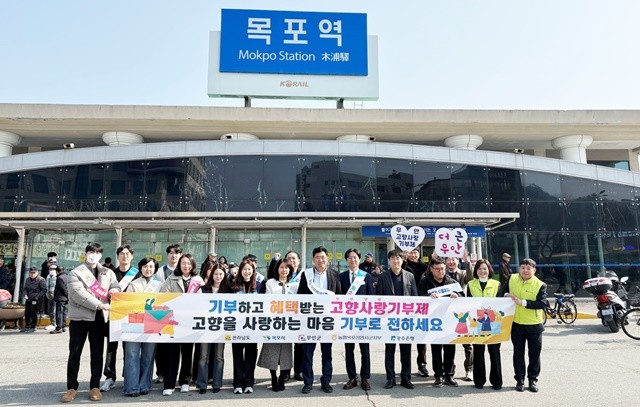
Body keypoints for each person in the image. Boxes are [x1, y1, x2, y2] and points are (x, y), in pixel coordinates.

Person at [61, 243, 119, 403]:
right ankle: (71, 388)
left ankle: (94, 386)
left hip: (99, 319)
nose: (94, 254)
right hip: (79, 319)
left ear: (101, 255)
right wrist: (99, 304)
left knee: (97, 354)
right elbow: (77, 294)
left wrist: (114, 291)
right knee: (75, 354)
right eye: (91, 251)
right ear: (86, 253)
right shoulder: (76, 272)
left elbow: (115, 285)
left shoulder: (107, 272)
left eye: (97, 252)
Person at [298, 246, 342, 394]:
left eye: (322, 257)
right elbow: (300, 296)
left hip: (327, 321)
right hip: (310, 321)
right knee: (307, 353)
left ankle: (326, 382)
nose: (320, 260)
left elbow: (339, 296)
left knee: (327, 353)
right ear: (313, 259)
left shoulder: (335, 275)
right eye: (317, 257)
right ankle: (308, 382)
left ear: (327, 259)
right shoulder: (306, 275)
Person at [501, 258, 547, 393]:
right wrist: (506, 294)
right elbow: (502, 291)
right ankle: (519, 379)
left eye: (528, 268)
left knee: (534, 354)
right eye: (523, 267)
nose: (525, 270)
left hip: (534, 325)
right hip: (516, 324)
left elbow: (542, 303)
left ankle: (533, 379)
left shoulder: (540, 285)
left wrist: (523, 303)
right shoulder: (512, 278)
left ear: (534, 270)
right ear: (519, 268)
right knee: (518, 354)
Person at [419, 258, 464, 388]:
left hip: (449, 321)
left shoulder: (452, 282)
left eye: (443, 269)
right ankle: (438, 375)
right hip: (433, 321)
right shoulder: (425, 282)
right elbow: (418, 297)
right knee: (436, 349)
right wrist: (428, 298)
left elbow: (463, 298)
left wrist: (457, 295)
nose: (440, 272)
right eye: (437, 269)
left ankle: (449, 375)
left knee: (450, 349)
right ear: (431, 269)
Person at [377, 249, 417, 389]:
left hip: (406, 320)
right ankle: (390, 378)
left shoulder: (410, 276)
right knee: (390, 350)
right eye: (393, 258)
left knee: (406, 350)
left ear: (402, 260)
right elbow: (378, 298)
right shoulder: (383, 277)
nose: (395, 261)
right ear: (389, 261)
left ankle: (406, 378)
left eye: (398, 258)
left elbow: (415, 297)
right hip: (389, 321)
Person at [122, 257, 161, 397]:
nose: (148, 269)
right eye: (145, 266)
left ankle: (144, 385)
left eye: (151, 266)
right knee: (132, 354)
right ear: (140, 268)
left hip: (152, 323)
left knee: (148, 355)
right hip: (134, 323)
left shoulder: (160, 285)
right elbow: (126, 304)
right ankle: (132, 387)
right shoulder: (133, 284)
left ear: (155, 269)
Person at [159, 253, 198, 396]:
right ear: (179, 265)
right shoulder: (171, 279)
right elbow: (163, 296)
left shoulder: (197, 280)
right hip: (173, 323)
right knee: (171, 354)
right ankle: (169, 383)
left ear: (193, 265)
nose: (186, 266)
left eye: (189, 263)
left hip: (189, 323)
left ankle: (185, 381)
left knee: (187, 353)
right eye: (183, 263)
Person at [101, 244, 136, 393]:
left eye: (127, 253)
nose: (124, 256)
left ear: (132, 256)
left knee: (130, 348)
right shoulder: (110, 274)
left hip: (131, 317)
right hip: (113, 316)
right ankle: (109, 376)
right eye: (122, 253)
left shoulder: (136, 274)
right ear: (117, 256)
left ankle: (128, 375)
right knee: (111, 348)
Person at [340, 248, 375, 391]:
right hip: (347, 320)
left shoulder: (366, 276)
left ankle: (365, 378)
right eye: (350, 257)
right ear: (346, 260)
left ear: (359, 259)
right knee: (349, 350)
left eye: (355, 257)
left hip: (362, 320)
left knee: (364, 350)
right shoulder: (341, 276)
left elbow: (371, 297)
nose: (352, 260)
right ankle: (352, 378)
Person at [257, 259, 294, 392]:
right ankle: (273, 376)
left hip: (288, 323)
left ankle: (282, 377)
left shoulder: (294, 284)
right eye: (281, 267)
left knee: (286, 351)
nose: (284, 270)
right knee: (271, 350)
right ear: (277, 269)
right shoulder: (270, 283)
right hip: (273, 321)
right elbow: (268, 301)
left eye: (287, 268)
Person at [466, 259, 503, 390]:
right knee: (478, 352)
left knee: (494, 352)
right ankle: (479, 380)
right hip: (477, 323)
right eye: (479, 269)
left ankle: (496, 381)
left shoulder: (497, 284)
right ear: (476, 271)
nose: (482, 271)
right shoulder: (470, 284)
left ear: (489, 270)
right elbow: (468, 303)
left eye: (485, 268)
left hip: (493, 322)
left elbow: (501, 303)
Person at [196, 263, 232, 394]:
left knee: (218, 356)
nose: (218, 276)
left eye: (221, 274)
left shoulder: (229, 290)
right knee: (203, 356)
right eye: (216, 274)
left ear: (224, 275)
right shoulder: (203, 289)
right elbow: (196, 307)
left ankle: (217, 383)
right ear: (212, 275)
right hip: (205, 328)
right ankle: (202, 384)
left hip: (221, 328)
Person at [153, 244, 183, 384]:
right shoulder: (161, 271)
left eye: (176, 253)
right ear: (167, 255)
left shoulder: (184, 270)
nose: (173, 255)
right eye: (171, 252)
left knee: (179, 347)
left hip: (181, 314)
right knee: (161, 346)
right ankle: (161, 373)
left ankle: (179, 375)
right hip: (163, 313)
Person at [231, 260, 262, 394]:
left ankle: (249, 382)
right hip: (237, 327)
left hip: (252, 328)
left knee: (250, 356)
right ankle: (237, 383)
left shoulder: (259, 286)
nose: (247, 272)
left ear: (253, 271)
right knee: (237, 357)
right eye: (244, 269)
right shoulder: (233, 286)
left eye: (249, 269)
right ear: (240, 271)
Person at [444, 255, 473, 381]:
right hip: (447, 313)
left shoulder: (463, 273)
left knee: (468, 343)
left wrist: (468, 262)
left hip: (462, 312)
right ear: (445, 261)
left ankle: (469, 369)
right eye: (448, 259)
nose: (451, 261)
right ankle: (449, 371)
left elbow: (470, 278)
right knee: (449, 344)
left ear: (458, 260)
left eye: (454, 259)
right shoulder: (442, 273)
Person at [403, 249, 430, 377]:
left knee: (421, 337)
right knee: (405, 338)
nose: (413, 255)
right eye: (411, 252)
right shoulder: (403, 265)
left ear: (419, 254)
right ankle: (405, 369)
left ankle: (422, 365)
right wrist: (403, 261)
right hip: (406, 306)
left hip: (422, 305)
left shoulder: (425, 267)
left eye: (415, 252)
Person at [284, 250, 304, 381]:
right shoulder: (282, 273)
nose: (291, 261)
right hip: (284, 312)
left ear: (299, 261)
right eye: (289, 258)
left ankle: (299, 371)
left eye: (294, 258)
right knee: (286, 344)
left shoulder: (305, 275)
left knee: (300, 343)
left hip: (300, 313)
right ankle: (285, 372)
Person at [22, 266, 46, 333]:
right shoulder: (28, 279)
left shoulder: (41, 280)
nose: (32, 274)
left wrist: (37, 297)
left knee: (33, 313)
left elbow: (44, 290)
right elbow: (25, 288)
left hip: (36, 299)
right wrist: (25, 294)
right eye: (31, 273)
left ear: (37, 272)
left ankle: (33, 326)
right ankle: (27, 326)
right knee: (27, 312)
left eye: (34, 273)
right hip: (28, 298)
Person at [51, 265, 68, 334]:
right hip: (66, 298)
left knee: (59, 313)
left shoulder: (59, 278)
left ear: (57, 271)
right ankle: (63, 326)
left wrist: (67, 295)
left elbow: (62, 288)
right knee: (64, 312)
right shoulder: (67, 276)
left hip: (61, 298)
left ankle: (59, 328)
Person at [45, 263, 58, 331]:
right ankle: (52, 322)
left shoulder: (57, 277)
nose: (52, 270)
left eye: (54, 269)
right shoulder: (48, 277)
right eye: (51, 269)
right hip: (49, 295)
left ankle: (54, 323)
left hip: (55, 296)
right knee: (50, 310)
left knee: (54, 310)